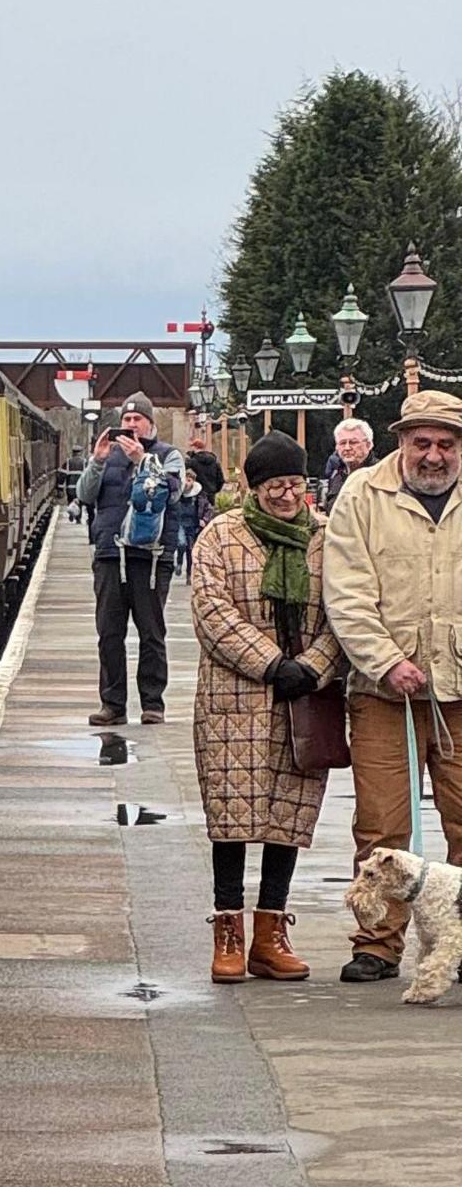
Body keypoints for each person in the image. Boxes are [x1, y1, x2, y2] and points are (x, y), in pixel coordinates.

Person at [319, 390, 462, 982]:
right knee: (382, 826)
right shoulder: (362, 494)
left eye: (446, 445)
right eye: (421, 443)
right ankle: (377, 943)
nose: (433, 456)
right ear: (401, 442)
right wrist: (383, 661)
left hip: (460, 690)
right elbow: (345, 590)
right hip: (384, 693)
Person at [191, 432, 342, 983]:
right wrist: (273, 663)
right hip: (236, 699)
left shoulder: (327, 537)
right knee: (232, 818)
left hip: (304, 700)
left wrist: (315, 666)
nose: (286, 495)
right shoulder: (218, 537)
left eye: (295, 484)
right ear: (253, 488)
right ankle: (227, 930)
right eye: (275, 485)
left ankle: (271, 932)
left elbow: (344, 609)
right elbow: (211, 613)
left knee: (288, 818)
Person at [77, 394, 190, 725]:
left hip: (151, 558)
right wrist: (97, 461)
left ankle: (152, 703)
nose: (130, 425)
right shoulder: (107, 456)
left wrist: (142, 461)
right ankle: (112, 705)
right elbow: (84, 495)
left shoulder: (168, 455)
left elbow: (172, 491)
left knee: (151, 632)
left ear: (150, 423)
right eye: (126, 420)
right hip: (111, 554)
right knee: (109, 632)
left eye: (137, 419)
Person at [321, 417, 375, 512]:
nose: (347, 447)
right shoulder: (336, 476)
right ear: (336, 447)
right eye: (342, 443)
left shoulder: (380, 474)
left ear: (369, 445)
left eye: (353, 442)